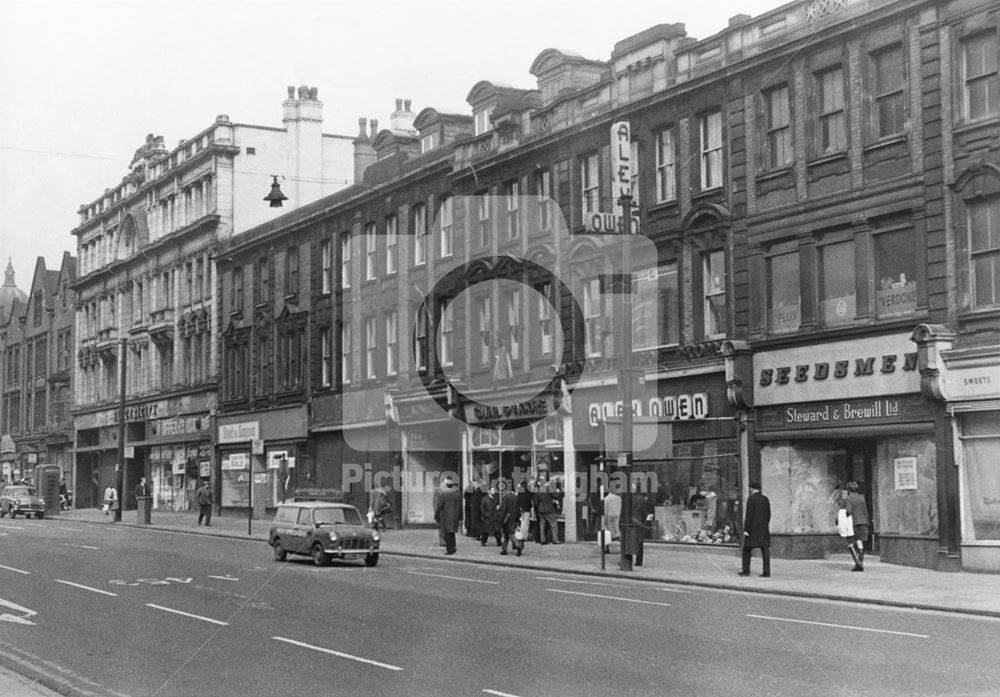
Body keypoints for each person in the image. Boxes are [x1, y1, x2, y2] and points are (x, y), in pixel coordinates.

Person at [739, 480, 771, 578]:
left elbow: (749, 515)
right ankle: (766, 572)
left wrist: (746, 529)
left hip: (752, 530)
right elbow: (769, 514)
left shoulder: (751, 499)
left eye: (749, 488)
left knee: (746, 550)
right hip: (763, 529)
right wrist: (765, 525)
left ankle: (746, 570)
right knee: (765, 550)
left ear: (751, 488)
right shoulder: (765, 499)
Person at [843, 481, 870, 572]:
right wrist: (867, 522)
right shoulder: (861, 498)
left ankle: (857, 563)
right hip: (862, 522)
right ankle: (861, 562)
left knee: (850, 543)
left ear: (848, 490)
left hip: (853, 523)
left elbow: (849, 511)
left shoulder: (848, 499)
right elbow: (865, 511)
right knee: (859, 542)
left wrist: (843, 516)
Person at [434, 477, 463, 555]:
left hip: (446, 517)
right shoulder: (457, 495)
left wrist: (436, 516)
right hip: (455, 517)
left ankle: (449, 549)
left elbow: (439, 506)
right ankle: (453, 547)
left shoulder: (443, 495)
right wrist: (460, 517)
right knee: (452, 533)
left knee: (447, 534)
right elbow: (460, 507)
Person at [535, 475, 560, 544]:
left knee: (542, 525)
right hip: (549, 509)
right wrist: (557, 491)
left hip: (541, 509)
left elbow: (536, 501)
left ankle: (542, 540)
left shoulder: (539, 489)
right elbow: (555, 496)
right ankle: (555, 540)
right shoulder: (549, 488)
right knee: (553, 523)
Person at [498, 484, 522, 556]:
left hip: (507, 519)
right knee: (506, 534)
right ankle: (504, 549)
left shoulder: (505, 498)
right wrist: (518, 519)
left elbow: (503, 509)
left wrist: (500, 519)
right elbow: (518, 509)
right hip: (514, 518)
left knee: (510, 533)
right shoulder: (516, 497)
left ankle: (518, 545)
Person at [601, 488, 622, 554]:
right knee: (618, 532)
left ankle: (607, 548)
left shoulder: (606, 499)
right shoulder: (619, 499)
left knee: (607, 533)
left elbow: (605, 511)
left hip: (610, 517)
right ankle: (622, 547)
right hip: (618, 516)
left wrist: (603, 522)